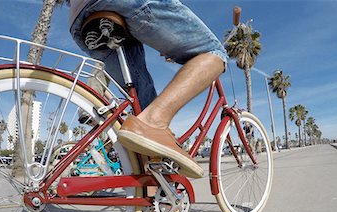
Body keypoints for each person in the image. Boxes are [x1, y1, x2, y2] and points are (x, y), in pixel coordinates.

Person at [69, 0, 226, 178]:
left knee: (143, 106)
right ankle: (154, 121)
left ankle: (151, 191)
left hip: (79, 17)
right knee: (214, 54)